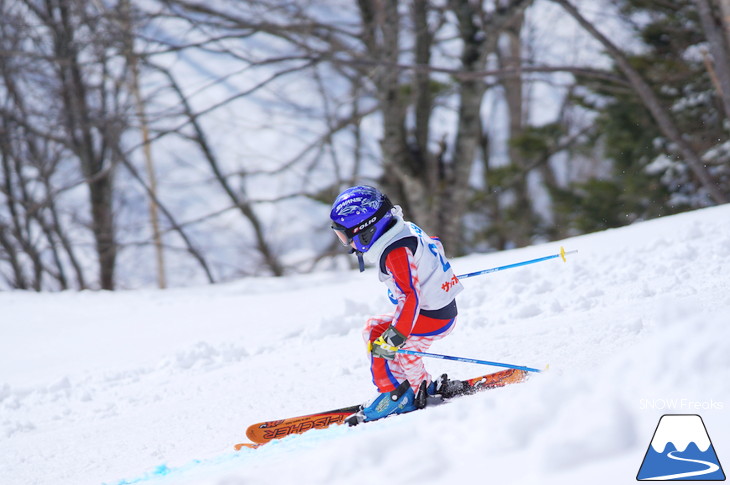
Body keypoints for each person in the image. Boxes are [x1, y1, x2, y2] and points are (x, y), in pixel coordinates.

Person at [329, 185, 465, 424]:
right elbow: (433, 243)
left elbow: (409, 297)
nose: (347, 244)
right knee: (374, 330)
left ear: (365, 231)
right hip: (432, 310)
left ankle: (397, 396)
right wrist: (434, 272)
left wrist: (396, 337)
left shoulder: (396, 252)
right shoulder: (404, 228)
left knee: (388, 346)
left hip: (434, 316)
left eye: (345, 236)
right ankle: (413, 387)